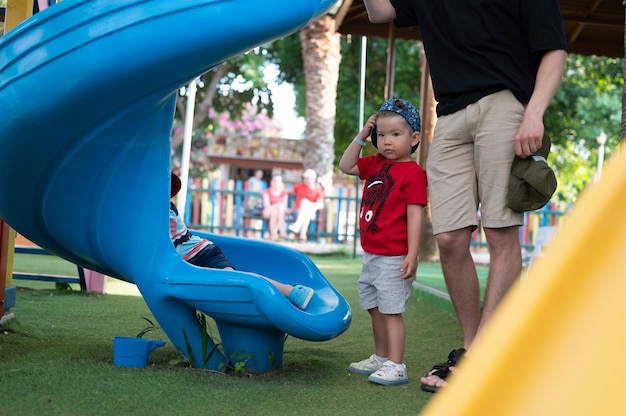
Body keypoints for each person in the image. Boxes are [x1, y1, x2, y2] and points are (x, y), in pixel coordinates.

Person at [362, 0, 568, 392]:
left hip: (504, 103)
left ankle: (478, 357)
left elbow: (554, 49)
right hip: (451, 115)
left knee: (499, 230)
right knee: (450, 238)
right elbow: (379, 11)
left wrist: (534, 113)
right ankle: (476, 349)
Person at [339, 99, 427, 386]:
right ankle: (380, 357)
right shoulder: (375, 163)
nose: (386, 141)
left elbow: (415, 216)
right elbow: (345, 164)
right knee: (375, 308)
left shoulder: (414, 174)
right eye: (381, 134)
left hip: (393, 256)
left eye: (395, 134)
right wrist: (362, 135)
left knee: (391, 311)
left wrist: (413, 253)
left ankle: (397, 364)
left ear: (414, 138)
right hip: (372, 254)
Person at [169, 173, 313, 310]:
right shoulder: (159, 211)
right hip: (185, 262)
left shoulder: (165, 211)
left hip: (203, 253)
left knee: (237, 280)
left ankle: (290, 291)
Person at [288, 169, 324, 243]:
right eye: (304, 178)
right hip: (297, 211)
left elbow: (320, 205)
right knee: (305, 208)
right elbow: (286, 191)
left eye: (307, 178)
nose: (305, 179)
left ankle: (297, 226)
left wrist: (309, 205)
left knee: (305, 204)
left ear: (313, 178)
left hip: (310, 212)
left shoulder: (318, 190)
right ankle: (302, 236)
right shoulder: (299, 186)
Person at [261, 173, 289, 241]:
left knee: (275, 212)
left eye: (279, 181)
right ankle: (283, 232)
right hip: (267, 211)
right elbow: (267, 206)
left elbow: (284, 207)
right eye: (275, 180)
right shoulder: (266, 192)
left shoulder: (284, 193)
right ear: (271, 182)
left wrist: (279, 206)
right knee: (278, 207)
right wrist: (278, 205)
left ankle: (273, 234)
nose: (277, 182)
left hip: (279, 212)